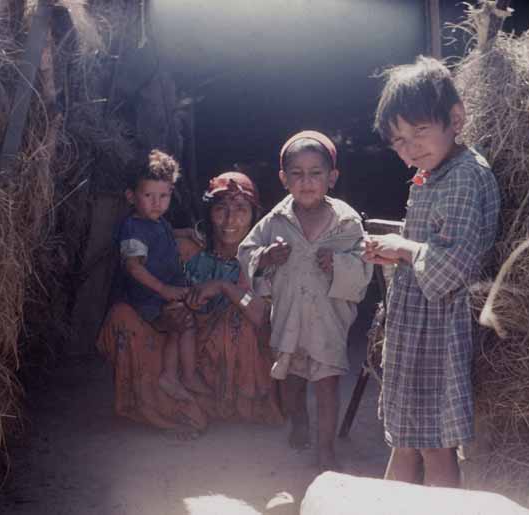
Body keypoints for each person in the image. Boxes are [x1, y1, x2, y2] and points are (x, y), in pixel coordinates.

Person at [363, 56, 500, 487]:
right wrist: (396, 252)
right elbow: (431, 241)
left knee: (435, 444)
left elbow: (452, 267)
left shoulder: (464, 177)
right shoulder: (434, 173)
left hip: (438, 330)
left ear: (455, 119)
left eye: (419, 131)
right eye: (399, 141)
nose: (411, 148)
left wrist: (404, 248)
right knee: (406, 438)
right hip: (415, 325)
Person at [98, 171, 283, 434]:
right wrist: (165, 317)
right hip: (177, 347)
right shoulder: (184, 248)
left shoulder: (264, 257)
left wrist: (223, 287)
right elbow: (141, 289)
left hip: (225, 357)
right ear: (209, 212)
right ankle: (172, 403)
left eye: (241, 209)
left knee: (235, 320)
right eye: (221, 209)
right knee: (121, 315)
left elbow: (262, 318)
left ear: (255, 214)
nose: (230, 220)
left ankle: (229, 404)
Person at [238, 130, 373, 471]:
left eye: (316, 173)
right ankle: (299, 420)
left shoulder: (347, 221)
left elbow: (365, 263)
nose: (307, 181)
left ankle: (325, 448)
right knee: (292, 381)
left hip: (328, 320)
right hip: (288, 318)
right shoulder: (275, 220)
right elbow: (246, 253)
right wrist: (266, 257)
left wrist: (339, 265)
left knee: (327, 382)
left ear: (332, 177)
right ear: (284, 179)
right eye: (297, 174)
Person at [115, 149, 208, 402]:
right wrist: (164, 290)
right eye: (149, 196)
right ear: (131, 197)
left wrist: (185, 232)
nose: (157, 203)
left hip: (164, 293)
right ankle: (173, 376)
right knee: (181, 324)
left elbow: (163, 236)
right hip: (149, 298)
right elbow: (134, 266)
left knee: (186, 320)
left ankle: (184, 375)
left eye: (164, 196)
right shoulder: (133, 229)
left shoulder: (157, 222)